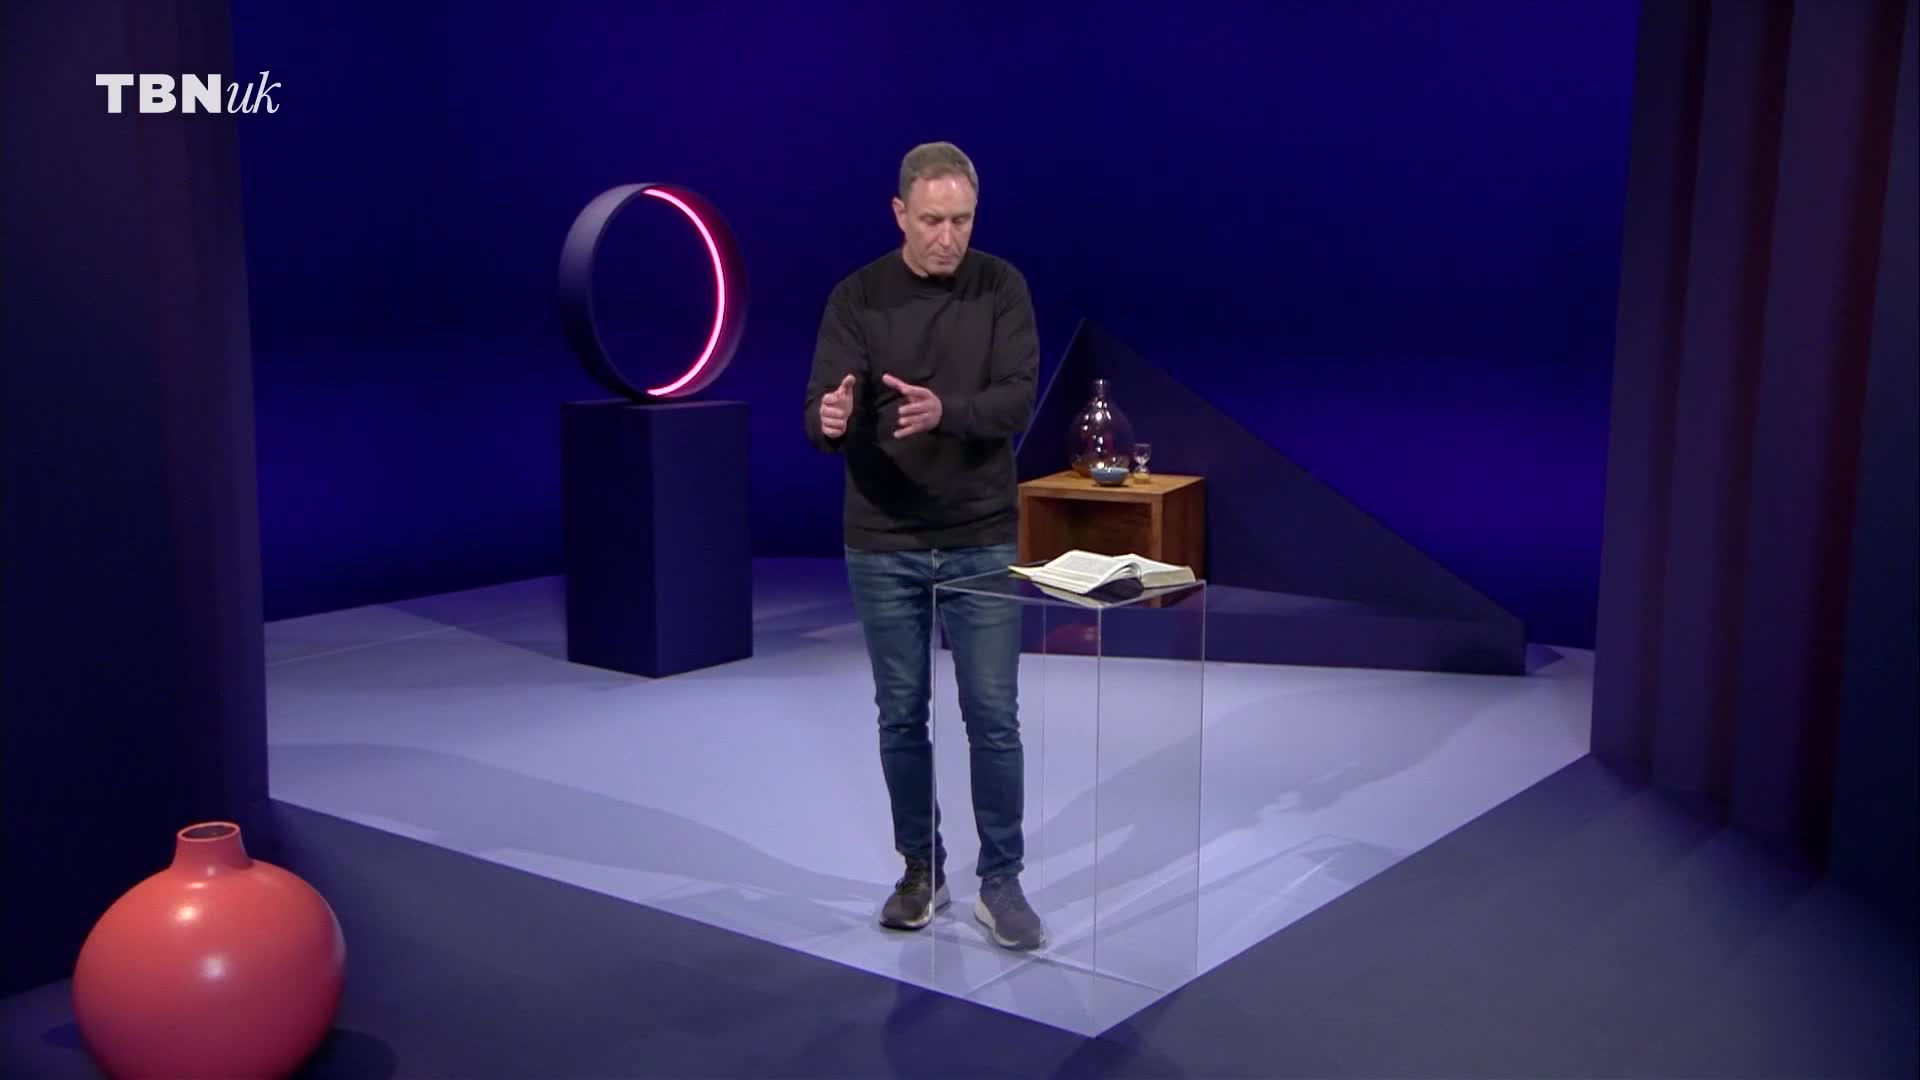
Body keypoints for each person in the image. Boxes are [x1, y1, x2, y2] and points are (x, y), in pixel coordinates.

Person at [803, 141, 1045, 950]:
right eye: (934, 220)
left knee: (993, 716)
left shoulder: (1001, 286)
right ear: (900, 213)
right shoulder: (857, 298)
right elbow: (821, 407)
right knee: (901, 716)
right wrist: (828, 421)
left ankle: (1001, 880)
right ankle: (920, 868)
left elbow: (1016, 399)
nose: (949, 237)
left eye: (963, 220)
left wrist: (947, 412)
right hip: (883, 538)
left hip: (979, 534)